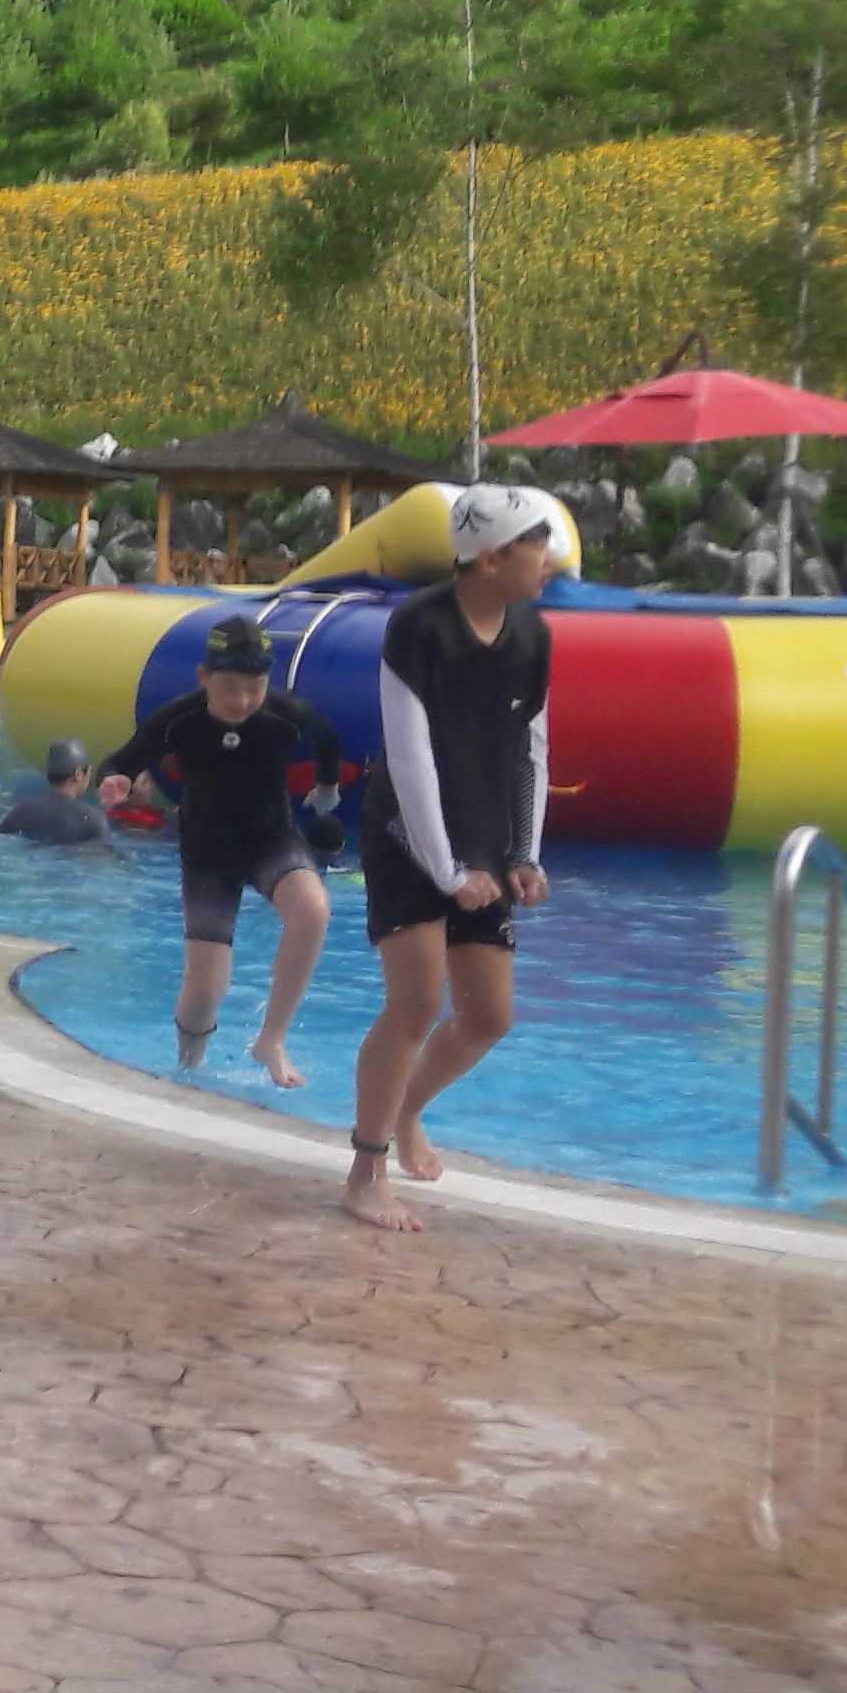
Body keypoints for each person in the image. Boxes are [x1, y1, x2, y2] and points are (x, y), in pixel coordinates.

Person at [345, 486, 558, 1233]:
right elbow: (409, 760)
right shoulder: (420, 627)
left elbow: (531, 748)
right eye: (538, 545)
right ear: (491, 557)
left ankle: (405, 1112)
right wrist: (444, 871)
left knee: (489, 1017)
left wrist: (524, 853)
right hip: (408, 836)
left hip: (483, 844)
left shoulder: (532, 634)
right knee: (416, 1005)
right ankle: (365, 1172)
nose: (550, 560)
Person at [93, 616, 345, 1090]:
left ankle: (272, 1039)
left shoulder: (284, 714)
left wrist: (327, 785)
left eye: (255, 687)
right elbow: (121, 759)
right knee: (204, 991)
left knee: (312, 911)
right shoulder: (180, 719)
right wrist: (114, 779)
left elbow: (328, 739)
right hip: (208, 855)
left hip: (271, 839)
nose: (242, 700)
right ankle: (189, 1066)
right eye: (229, 686)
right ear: (204, 677)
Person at [0, 739, 112, 845]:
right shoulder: (93, 820)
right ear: (78, 774)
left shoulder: (20, 812)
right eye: (89, 772)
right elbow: (102, 856)